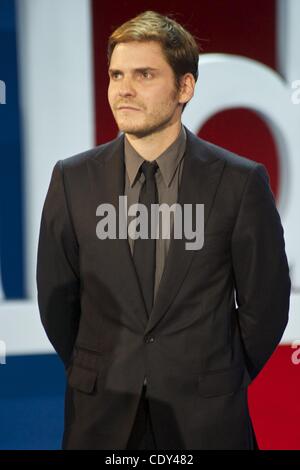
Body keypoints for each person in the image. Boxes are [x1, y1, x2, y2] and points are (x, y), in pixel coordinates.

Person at [36, 10, 291, 450]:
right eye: (116, 75)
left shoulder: (240, 182)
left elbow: (265, 307)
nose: (124, 90)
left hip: (207, 420)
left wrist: (219, 375)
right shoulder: (72, 179)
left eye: (144, 74)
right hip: (102, 419)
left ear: (184, 87)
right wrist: (100, 369)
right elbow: (58, 300)